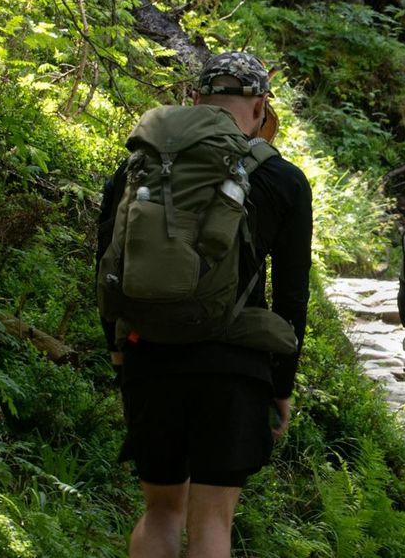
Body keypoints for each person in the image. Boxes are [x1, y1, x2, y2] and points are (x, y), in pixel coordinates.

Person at [97, 51, 313, 558]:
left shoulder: (139, 166)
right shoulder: (282, 179)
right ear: (260, 106)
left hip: (149, 353)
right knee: (212, 522)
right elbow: (291, 296)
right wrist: (281, 384)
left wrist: (120, 355)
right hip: (234, 366)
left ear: (193, 98)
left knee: (160, 512)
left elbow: (107, 263)